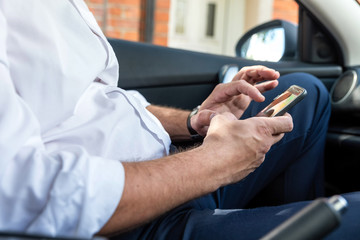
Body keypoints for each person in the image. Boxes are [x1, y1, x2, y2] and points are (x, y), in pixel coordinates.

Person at [0, 1, 359, 240]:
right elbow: (23, 188)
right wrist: (213, 163)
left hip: (171, 169)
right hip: (132, 220)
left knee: (306, 92)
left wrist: (195, 121)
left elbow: (89, 101)